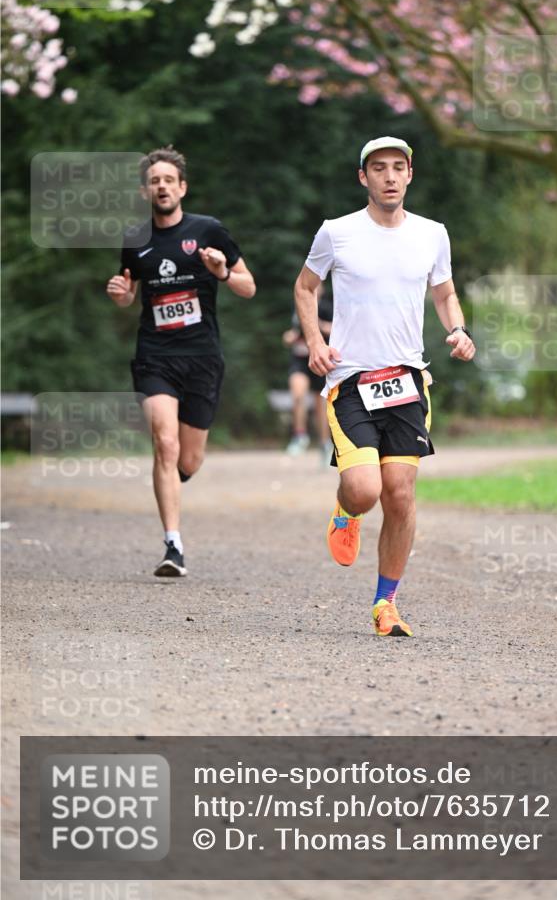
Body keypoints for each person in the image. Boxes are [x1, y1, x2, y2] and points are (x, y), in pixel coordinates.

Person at [294, 136, 475, 637]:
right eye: (379, 168)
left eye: (398, 167)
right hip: (350, 380)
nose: (390, 176)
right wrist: (314, 343)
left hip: (407, 381)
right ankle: (346, 509)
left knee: (399, 494)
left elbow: (445, 292)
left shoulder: (432, 234)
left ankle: (385, 604)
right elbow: (306, 287)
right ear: (364, 177)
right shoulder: (337, 232)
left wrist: (457, 329)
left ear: (410, 175)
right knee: (365, 490)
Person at [106, 146, 255, 577]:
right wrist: (121, 295)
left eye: (169, 180)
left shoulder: (209, 231)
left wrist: (223, 271)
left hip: (202, 358)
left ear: (182, 187)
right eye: (155, 181)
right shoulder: (135, 239)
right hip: (156, 356)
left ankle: (171, 478)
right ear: (145, 190)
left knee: (188, 460)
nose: (162, 186)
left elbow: (249, 287)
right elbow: (127, 292)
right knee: (164, 444)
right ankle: (173, 545)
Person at [282, 285, 333, 462]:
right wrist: (289, 337)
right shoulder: (298, 307)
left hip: (320, 359)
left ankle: (325, 444)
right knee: (297, 393)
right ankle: (299, 435)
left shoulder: (327, 308)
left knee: (321, 408)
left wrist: (318, 326)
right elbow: (293, 332)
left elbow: (337, 330)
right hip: (300, 359)